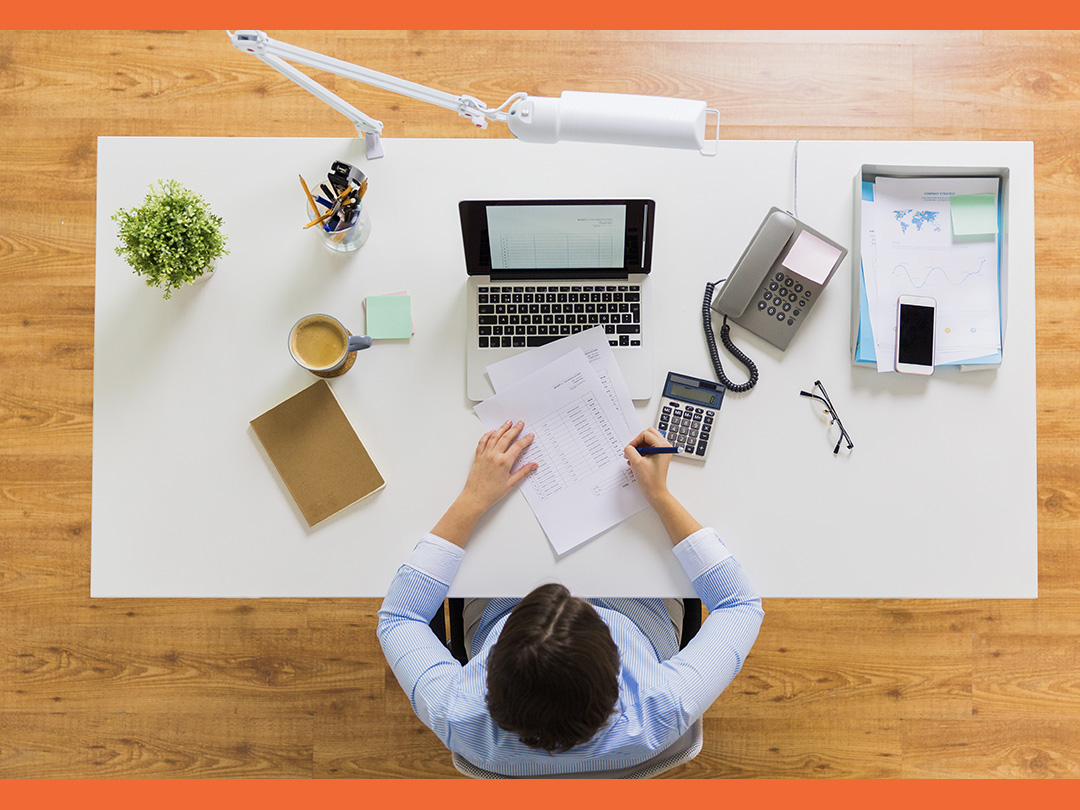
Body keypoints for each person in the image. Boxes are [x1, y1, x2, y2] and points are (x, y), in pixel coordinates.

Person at [377, 420, 763, 776]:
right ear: (617, 668)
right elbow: (740, 604)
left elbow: (399, 617)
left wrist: (473, 499)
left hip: (500, 604)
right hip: (640, 612)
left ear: (488, 671)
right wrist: (659, 495)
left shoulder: (456, 713)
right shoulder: (662, 705)